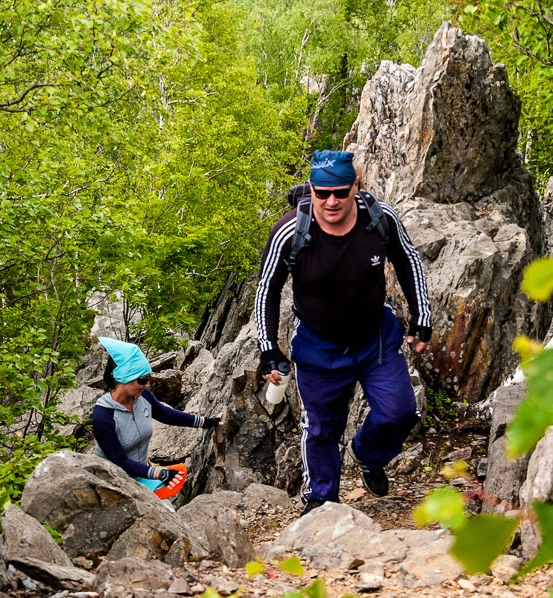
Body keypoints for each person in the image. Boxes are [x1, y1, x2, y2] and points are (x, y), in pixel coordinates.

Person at [253, 150, 432, 516]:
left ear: (356, 186)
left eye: (340, 191)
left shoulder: (380, 219)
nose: (331, 201)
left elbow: (408, 260)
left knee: (399, 412)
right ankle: (321, 501)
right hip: (318, 345)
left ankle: (367, 454)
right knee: (320, 428)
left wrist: (421, 317)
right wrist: (268, 348)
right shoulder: (291, 230)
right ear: (312, 191)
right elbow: (267, 288)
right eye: (322, 193)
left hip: (375, 339)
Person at [91, 337, 221, 507]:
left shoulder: (142, 397)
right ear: (123, 378)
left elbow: (166, 414)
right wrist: (159, 473)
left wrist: (206, 422)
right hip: (113, 482)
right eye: (143, 380)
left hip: (142, 473)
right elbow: (120, 461)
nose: (148, 384)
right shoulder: (103, 416)